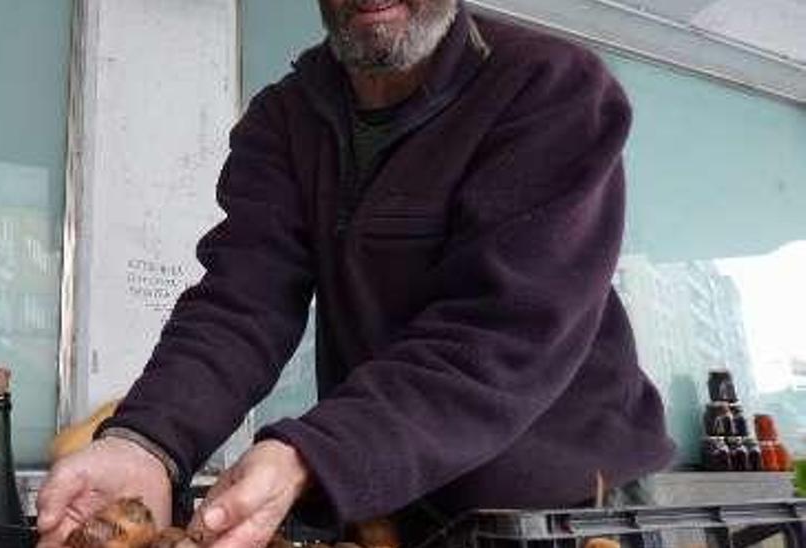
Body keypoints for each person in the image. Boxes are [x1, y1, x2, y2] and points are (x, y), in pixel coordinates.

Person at [38, 0, 676, 546]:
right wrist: (147, 443)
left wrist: (311, 454)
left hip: (562, 509)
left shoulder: (548, 89)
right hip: (392, 511)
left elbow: (502, 333)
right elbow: (240, 302)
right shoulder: (286, 120)